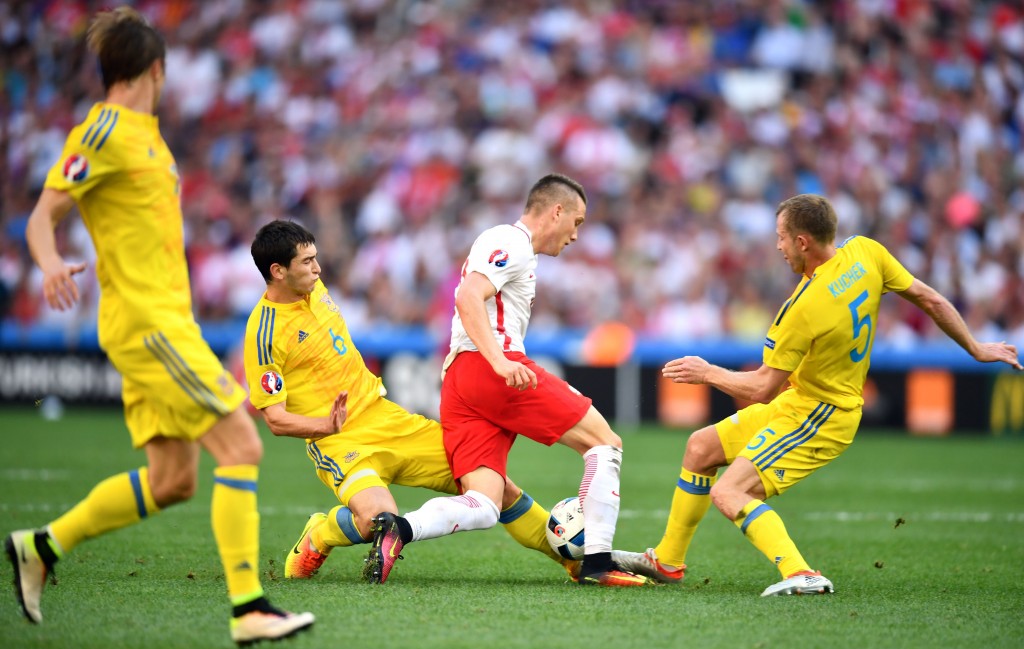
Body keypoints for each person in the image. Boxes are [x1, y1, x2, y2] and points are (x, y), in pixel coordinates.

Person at [3, 7, 313, 647]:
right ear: (156, 69)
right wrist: (49, 262)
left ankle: (41, 545)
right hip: (151, 326)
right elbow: (41, 217)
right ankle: (248, 607)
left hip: (161, 323)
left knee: (173, 480)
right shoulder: (105, 130)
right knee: (242, 444)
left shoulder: (144, 134)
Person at [615, 193, 1022, 595]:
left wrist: (708, 372)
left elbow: (761, 388)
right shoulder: (867, 252)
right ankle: (667, 560)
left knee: (730, 491)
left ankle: (800, 573)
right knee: (701, 448)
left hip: (822, 415)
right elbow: (928, 298)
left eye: (781, 237)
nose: (777, 246)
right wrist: (975, 347)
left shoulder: (803, 308)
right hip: (802, 402)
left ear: (802, 241)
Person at [244, 219, 580, 580]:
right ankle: (320, 535)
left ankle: (574, 560)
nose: (318, 268)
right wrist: (324, 425)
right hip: (339, 441)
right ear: (277, 271)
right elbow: (275, 420)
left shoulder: (314, 289)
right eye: (307, 262)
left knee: (493, 487)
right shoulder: (263, 333)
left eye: (316, 258)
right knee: (378, 522)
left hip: (387, 418)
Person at [363, 173, 652, 587]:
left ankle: (399, 530)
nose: (575, 235)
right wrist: (498, 361)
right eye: (577, 222)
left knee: (483, 504)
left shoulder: (515, 251)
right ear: (556, 211)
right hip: (492, 369)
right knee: (605, 443)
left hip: (462, 382)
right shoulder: (511, 241)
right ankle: (598, 563)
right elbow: (467, 297)